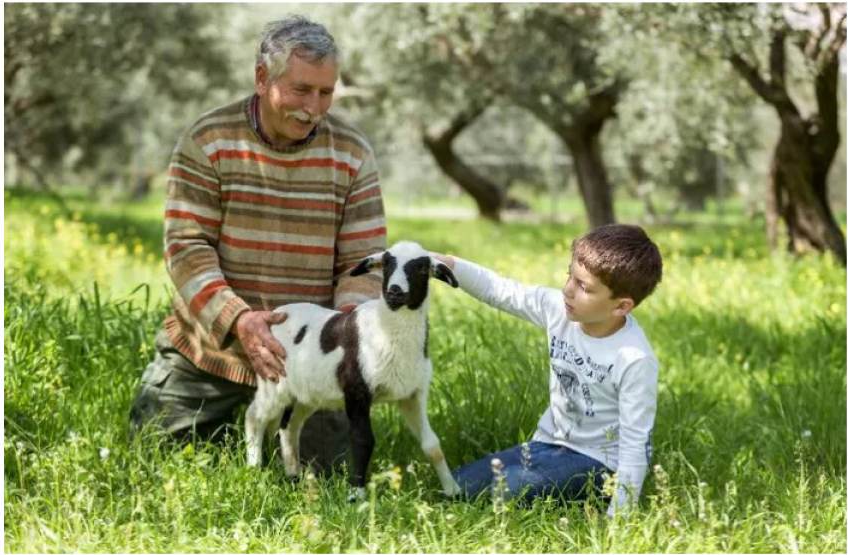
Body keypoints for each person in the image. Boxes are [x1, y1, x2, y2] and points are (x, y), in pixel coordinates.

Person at [129, 15, 387, 472]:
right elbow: (187, 248)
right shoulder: (208, 139)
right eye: (301, 90)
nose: (314, 107)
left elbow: (360, 264)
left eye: (325, 93)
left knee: (331, 478)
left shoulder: (352, 152)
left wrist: (342, 337)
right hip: (213, 347)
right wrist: (241, 320)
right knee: (151, 458)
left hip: (309, 355)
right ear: (262, 77)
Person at [434, 224, 662, 515]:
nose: (568, 289)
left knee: (508, 489)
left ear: (621, 306)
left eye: (584, 287)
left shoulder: (633, 358)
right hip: (546, 445)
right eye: (570, 276)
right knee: (456, 486)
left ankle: (596, 498)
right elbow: (501, 290)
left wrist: (620, 516)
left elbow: (635, 443)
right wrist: (445, 263)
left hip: (600, 463)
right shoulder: (560, 310)